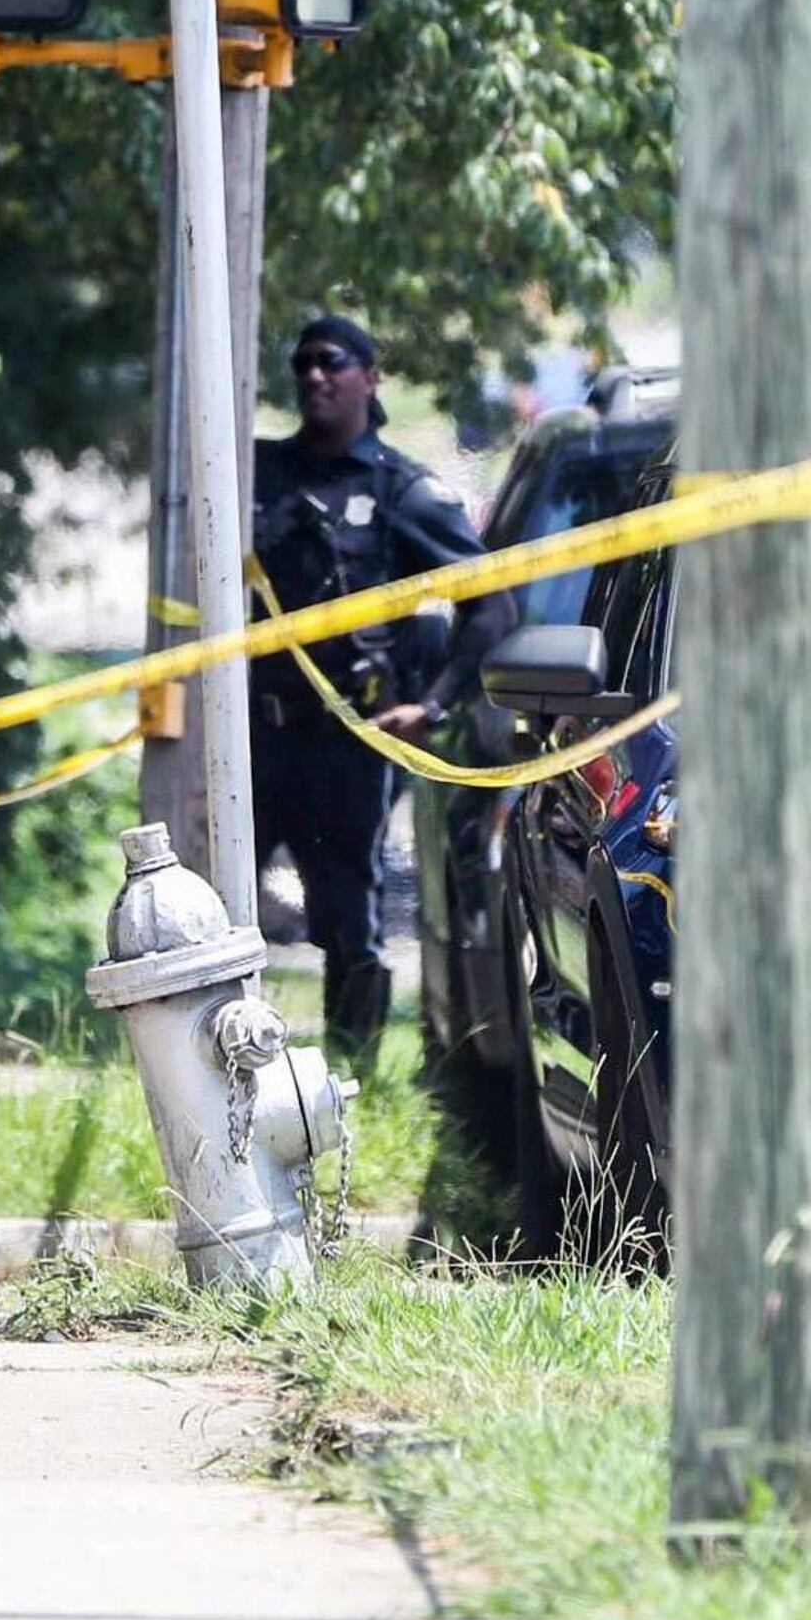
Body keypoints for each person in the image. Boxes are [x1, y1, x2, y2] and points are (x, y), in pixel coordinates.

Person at [250, 312, 489, 1062]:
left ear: (370, 377)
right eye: (304, 363)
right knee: (213, 911)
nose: (315, 376)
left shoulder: (401, 490)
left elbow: (493, 604)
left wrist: (435, 703)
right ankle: (220, 1074)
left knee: (348, 922)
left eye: (333, 362)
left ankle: (349, 1081)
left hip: (345, 742)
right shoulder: (255, 474)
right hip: (251, 734)